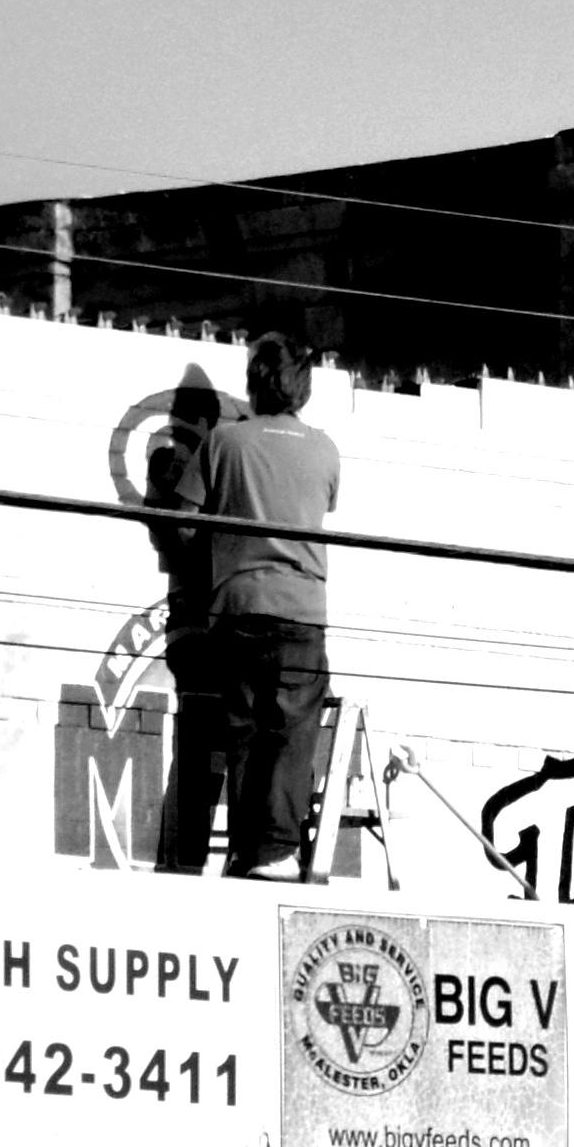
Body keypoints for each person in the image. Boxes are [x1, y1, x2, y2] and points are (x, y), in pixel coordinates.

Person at [192, 334, 343, 879]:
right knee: (292, 725)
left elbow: (186, 519)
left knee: (243, 725)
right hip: (302, 608)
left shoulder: (224, 443)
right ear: (303, 389)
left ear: (255, 382)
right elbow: (323, 503)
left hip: (236, 606)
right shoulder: (324, 448)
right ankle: (276, 850)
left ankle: (244, 847)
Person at [137, 370, 231, 872]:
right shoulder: (174, 463)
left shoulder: (192, 463)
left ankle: (187, 860)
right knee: (200, 752)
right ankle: (185, 861)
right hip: (200, 626)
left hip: (203, 626)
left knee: (207, 752)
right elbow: (175, 532)